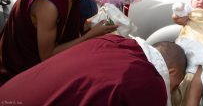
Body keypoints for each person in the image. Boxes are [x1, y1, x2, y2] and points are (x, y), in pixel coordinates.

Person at [0, 0, 118, 85]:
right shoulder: (48, 2)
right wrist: (90, 36)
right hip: (17, 77)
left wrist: (89, 24)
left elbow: (65, 26)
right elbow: (47, 55)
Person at [0, 34, 187, 106]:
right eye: (174, 86)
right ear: (171, 72)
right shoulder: (149, 81)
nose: (169, 91)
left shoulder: (112, 41)